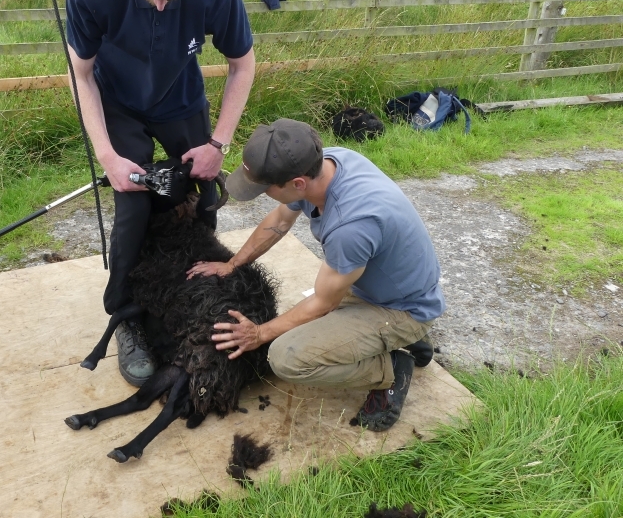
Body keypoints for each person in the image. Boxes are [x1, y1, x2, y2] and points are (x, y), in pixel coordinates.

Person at [65, 0, 255, 387]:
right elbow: (81, 75)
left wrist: (218, 143)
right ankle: (126, 314)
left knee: (204, 196)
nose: (164, 6)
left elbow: (242, 64)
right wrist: (107, 155)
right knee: (133, 202)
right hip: (117, 101)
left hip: (180, 98)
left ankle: (193, 293)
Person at [187, 119, 444, 431]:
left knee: (286, 357)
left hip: (402, 308)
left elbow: (323, 303)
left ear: (297, 184)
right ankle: (396, 338)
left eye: (265, 189)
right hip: (383, 288)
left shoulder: (351, 226)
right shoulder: (326, 163)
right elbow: (280, 220)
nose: (263, 195)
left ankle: (390, 367)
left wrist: (259, 334)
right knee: (299, 324)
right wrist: (233, 263)